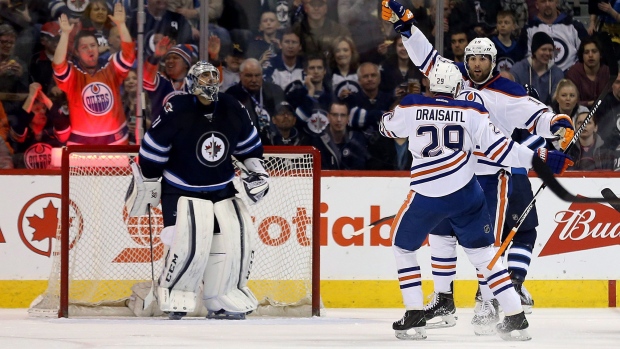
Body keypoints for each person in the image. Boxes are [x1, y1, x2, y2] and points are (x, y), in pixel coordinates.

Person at [382, 0, 576, 331]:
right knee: (442, 237)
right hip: (458, 177)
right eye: (470, 58)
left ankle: (487, 299)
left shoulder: (507, 91)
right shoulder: (453, 76)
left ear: (493, 61)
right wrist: (408, 28)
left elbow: (539, 114)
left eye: (482, 58)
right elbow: (425, 56)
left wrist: (556, 123)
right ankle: (444, 300)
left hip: (490, 176)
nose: (475, 63)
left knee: (487, 246)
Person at [127, 61, 268, 320]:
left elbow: (249, 147)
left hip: (221, 187)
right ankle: (175, 291)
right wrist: (148, 180)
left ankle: (220, 296)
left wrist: (258, 172)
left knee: (232, 241)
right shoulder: (176, 109)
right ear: (192, 82)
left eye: (213, 76)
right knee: (184, 241)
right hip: (180, 188)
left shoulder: (232, 106)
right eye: (203, 77)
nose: (210, 82)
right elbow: (152, 150)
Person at [53, 3, 135, 145]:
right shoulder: (74, 75)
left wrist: (121, 25)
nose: (90, 50)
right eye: (84, 47)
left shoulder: (110, 67)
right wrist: (65, 35)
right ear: (77, 53)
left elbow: (129, 54)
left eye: (93, 46)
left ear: (99, 48)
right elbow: (58, 65)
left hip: (116, 141)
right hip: (81, 144)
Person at [226, 58, 285, 144]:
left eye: (257, 75)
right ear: (240, 75)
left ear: (262, 75)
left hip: (274, 143)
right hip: (243, 143)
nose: (254, 80)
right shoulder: (231, 95)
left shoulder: (275, 91)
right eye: (249, 76)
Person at [520, 0, 588, 72]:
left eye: (551, 0)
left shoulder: (575, 26)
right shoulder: (528, 29)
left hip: (570, 79)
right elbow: (523, 58)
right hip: (538, 79)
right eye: (543, 2)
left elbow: (585, 53)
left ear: (557, 2)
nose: (547, 4)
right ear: (537, 5)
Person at [9, 82, 64, 169]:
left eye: (44, 108)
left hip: (52, 178)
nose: (42, 112)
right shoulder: (22, 133)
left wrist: (46, 99)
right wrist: (31, 96)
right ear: (29, 113)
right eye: (37, 109)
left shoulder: (52, 132)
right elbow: (20, 126)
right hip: (23, 178)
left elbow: (62, 124)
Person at [143, 37, 198, 121]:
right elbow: (147, 79)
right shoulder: (161, 81)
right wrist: (156, 55)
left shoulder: (194, 84)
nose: (170, 61)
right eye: (167, 58)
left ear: (186, 64)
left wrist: (214, 59)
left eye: (175, 58)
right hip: (162, 132)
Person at [311, 101, 369, 170]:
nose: (339, 119)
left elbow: (360, 168)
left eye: (343, 115)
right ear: (328, 117)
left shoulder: (357, 139)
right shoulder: (317, 141)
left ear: (348, 118)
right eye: (335, 115)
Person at [511, 31, 564, 105]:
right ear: (535, 51)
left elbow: (556, 101)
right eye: (544, 49)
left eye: (550, 50)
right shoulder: (518, 70)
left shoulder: (557, 73)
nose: (547, 53)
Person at [565, 37, 611, 108]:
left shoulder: (608, 72)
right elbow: (569, 101)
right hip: (578, 112)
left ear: (600, 54)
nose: (590, 55)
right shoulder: (573, 73)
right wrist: (590, 103)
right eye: (586, 52)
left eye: (594, 51)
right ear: (582, 56)